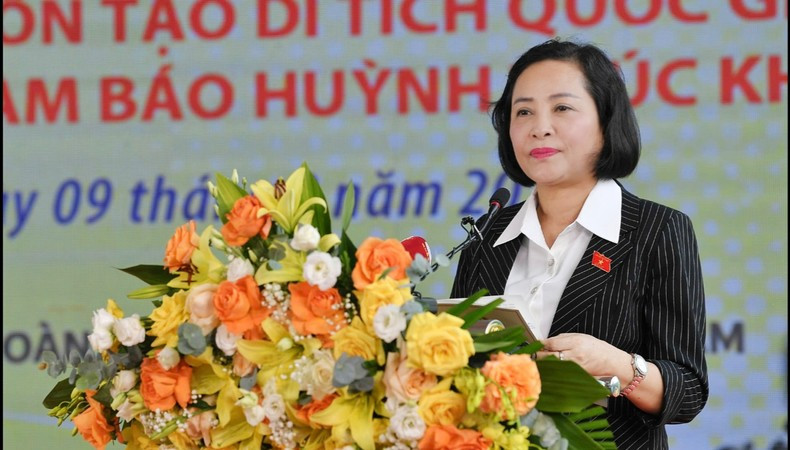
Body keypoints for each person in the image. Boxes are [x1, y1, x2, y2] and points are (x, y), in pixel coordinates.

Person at [450, 38, 708, 449]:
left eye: (562, 108)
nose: (540, 126)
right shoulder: (487, 235)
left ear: (606, 122)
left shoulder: (657, 230)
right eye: (523, 112)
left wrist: (618, 367)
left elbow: (688, 391)